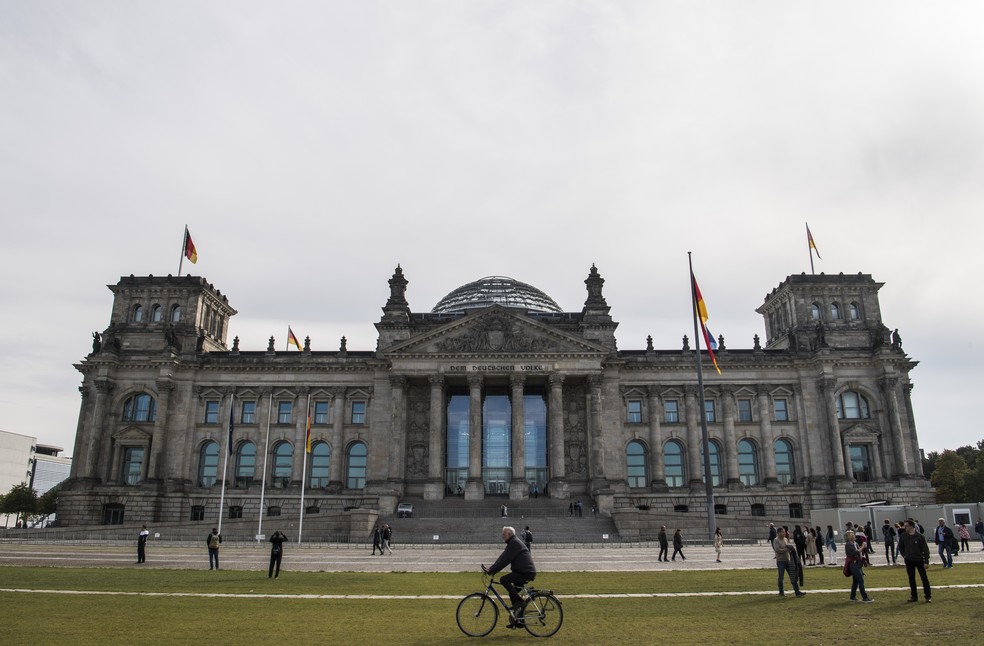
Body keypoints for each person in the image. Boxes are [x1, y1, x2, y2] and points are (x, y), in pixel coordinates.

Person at [483, 526, 537, 629]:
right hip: (524, 571)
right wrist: (491, 568)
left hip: (525, 572)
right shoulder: (512, 543)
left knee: (504, 580)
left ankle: (521, 602)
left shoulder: (514, 543)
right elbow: (503, 557)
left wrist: (492, 570)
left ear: (509, 534)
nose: (502, 536)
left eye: (504, 534)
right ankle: (518, 621)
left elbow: (505, 560)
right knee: (512, 593)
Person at [897, 519, 932, 603]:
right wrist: (904, 555)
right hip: (909, 560)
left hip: (919, 560)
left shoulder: (920, 536)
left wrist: (926, 561)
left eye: (906, 526)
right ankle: (914, 596)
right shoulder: (904, 536)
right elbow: (900, 546)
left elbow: (925, 549)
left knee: (924, 578)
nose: (905, 527)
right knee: (911, 578)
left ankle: (928, 596)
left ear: (911, 526)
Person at [773, 528, 805, 598]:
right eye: (782, 532)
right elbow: (777, 550)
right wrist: (787, 549)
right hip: (780, 561)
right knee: (781, 577)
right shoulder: (776, 540)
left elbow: (788, 547)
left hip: (787, 561)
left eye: (784, 532)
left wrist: (791, 550)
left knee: (792, 576)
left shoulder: (785, 539)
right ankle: (781, 592)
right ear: (778, 533)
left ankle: (797, 592)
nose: (784, 533)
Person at [844, 530, 873, 603]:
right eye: (852, 535)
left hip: (857, 564)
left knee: (855, 581)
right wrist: (862, 546)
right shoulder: (848, 544)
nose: (854, 536)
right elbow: (855, 552)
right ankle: (865, 597)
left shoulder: (855, 543)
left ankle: (852, 597)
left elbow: (859, 552)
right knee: (860, 580)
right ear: (849, 537)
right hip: (853, 564)